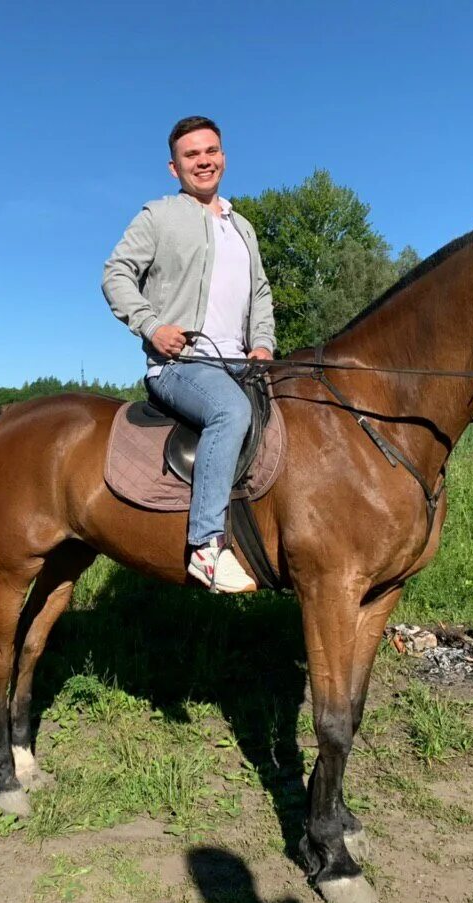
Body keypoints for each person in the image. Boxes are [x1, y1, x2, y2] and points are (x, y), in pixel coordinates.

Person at [102, 116, 276, 593]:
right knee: (229, 411)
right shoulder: (158, 216)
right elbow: (115, 274)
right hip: (180, 366)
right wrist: (152, 326)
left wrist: (263, 343)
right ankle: (206, 547)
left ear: (223, 156)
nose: (204, 161)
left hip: (241, 364)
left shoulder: (243, 227)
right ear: (174, 167)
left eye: (211, 151)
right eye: (191, 155)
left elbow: (260, 292)